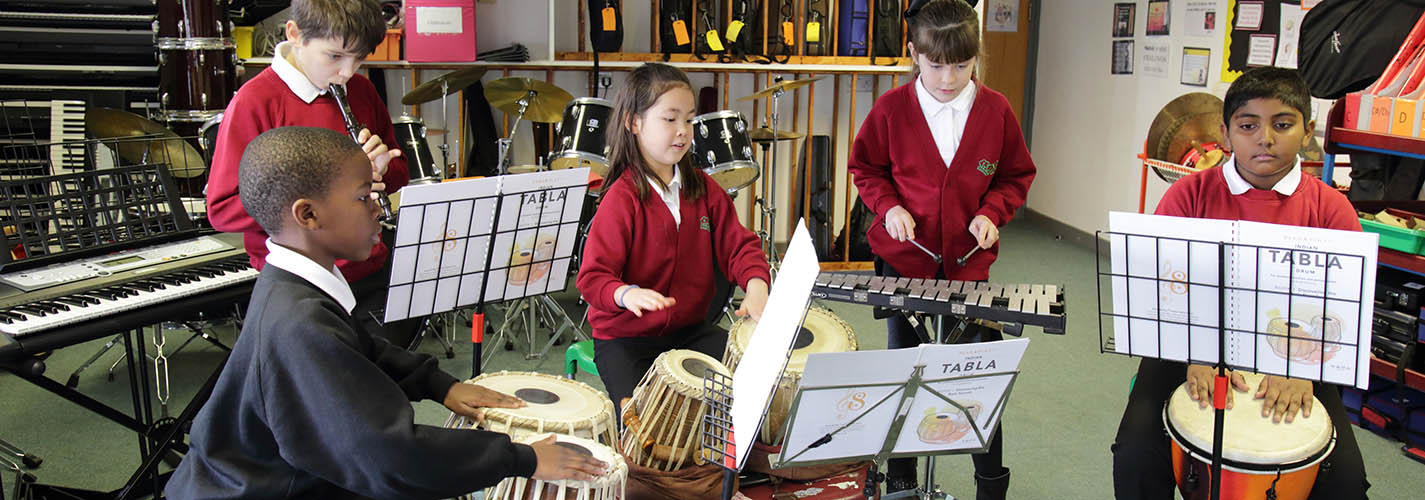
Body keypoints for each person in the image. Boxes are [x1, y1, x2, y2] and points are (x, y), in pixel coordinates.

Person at [166, 127, 606, 499]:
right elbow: (386, 455)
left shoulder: (296, 287)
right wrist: (523, 458)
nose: (380, 208)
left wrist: (438, 385)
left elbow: (359, 348)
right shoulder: (298, 324)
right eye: (364, 197)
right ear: (308, 214)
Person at [1111, 67, 1369, 499]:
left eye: (1282, 124)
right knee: (1135, 456)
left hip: (1297, 358)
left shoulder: (1332, 209)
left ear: (1307, 132)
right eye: (1248, 126)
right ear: (1226, 134)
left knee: (1345, 485)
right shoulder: (1187, 196)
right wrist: (1192, 353)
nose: (1265, 138)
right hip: (1188, 349)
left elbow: (1341, 311)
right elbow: (1161, 287)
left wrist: (1302, 369)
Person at [846, 1, 1036, 497]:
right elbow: (866, 167)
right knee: (906, 368)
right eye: (935, 65)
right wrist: (887, 206)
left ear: (976, 56)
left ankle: (989, 481)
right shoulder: (891, 109)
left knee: (978, 376)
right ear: (914, 54)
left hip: (968, 267)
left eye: (961, 64)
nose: (949, 78)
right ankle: (904, 478)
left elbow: (1016, 174)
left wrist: (991, 212)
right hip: (904, 260)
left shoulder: (995, 110)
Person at [205, 0, 414, 345]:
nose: (347, 72)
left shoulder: (360, 90)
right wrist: (320, 190)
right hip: (301, 281)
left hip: (366, 267)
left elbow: (399, 172)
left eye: (359, 59)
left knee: (380, 377)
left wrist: (380, 170)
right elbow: (223, 208)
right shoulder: (255, 101)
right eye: (334, 56)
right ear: (295, 34)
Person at [576, 63, 771, 415]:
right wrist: (627, 293)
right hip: (626, 340)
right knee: (644, 421)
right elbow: (592, 278)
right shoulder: (621, 198)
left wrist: (756, 283)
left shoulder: (703, 188)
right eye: (670, 119)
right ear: (634, 123)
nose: (683, 131)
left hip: (690, 331)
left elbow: (740, 246)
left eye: (689, 120)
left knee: (754, 384)